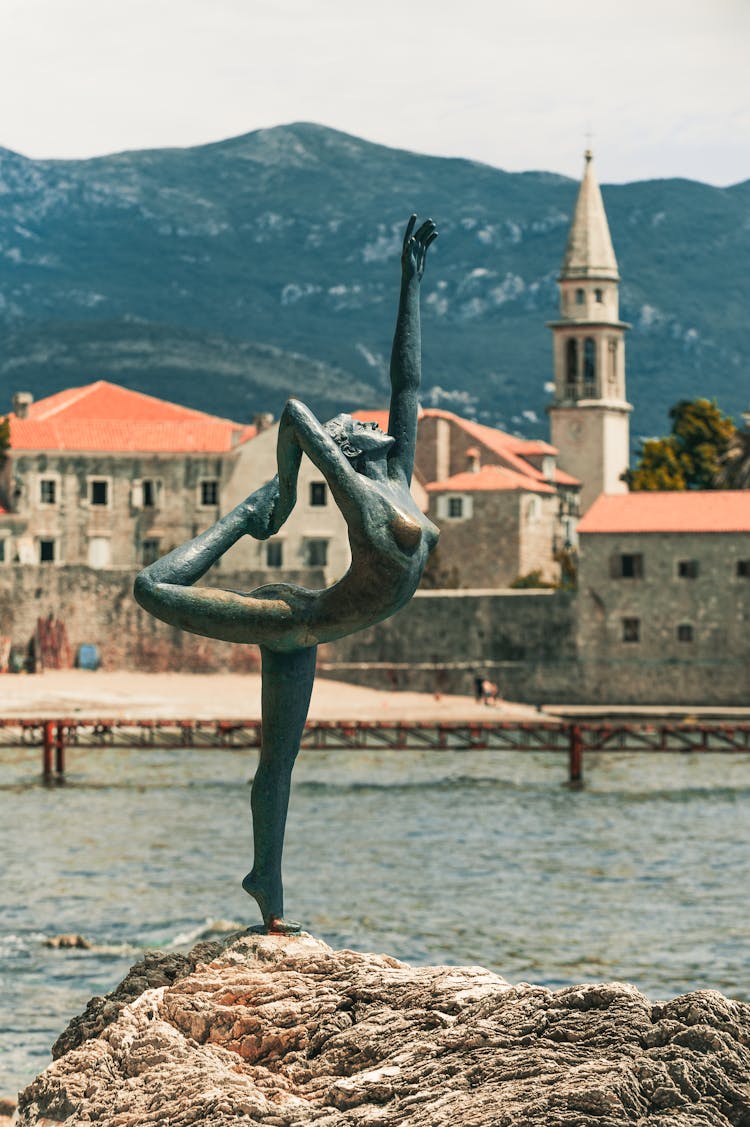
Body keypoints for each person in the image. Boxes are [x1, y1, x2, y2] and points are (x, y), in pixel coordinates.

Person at [134, 215, 439, 933]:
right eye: (357, 422)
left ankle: (266, 888)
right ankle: (241, 517)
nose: (372, 419)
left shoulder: (395, 473)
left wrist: (410, 286)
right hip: (288, 619)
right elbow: (296, 415)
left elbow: (410, 381)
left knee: (279, 764)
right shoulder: (364, 497)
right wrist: (275, 492)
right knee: (151, 588)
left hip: (306, 630)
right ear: (350, 447)